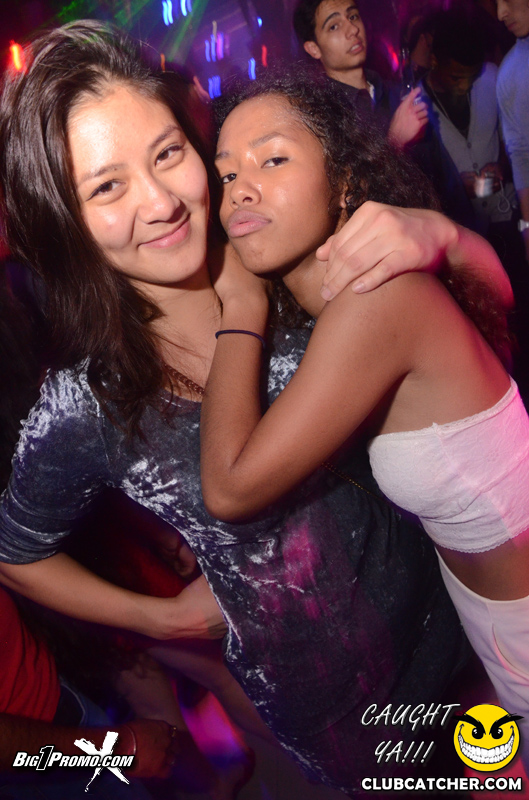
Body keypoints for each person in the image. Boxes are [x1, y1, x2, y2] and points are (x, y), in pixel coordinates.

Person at [0, 21, 511, 795]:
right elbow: (15, 552)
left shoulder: (275, 256)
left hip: (458, 642)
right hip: (344, 722)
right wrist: (157, 619)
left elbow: (480, 326)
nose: (161, 202)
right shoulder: (89, 396)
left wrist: (439, 237)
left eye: (166, 154)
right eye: (107, 187)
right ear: (66, 221)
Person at [201, 70, 529, 772]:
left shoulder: (372, 302)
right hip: (493, 612)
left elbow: (229, 486)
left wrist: (241, 307)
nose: (241, 189)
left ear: (345, 181)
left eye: (272, 159)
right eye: (226, 175)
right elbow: (498, 294)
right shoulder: (341, 303)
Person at [423, 10, 517, 238]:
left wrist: (502, 167)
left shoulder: (492, 77)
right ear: (434, 61)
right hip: (461, 231)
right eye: (456, 77)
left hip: (507, 214)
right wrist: (455, 188)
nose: (465, 86)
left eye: (472, 76)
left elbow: (516, 138)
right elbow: (420, 180)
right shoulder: (416, 105)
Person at [292, 0, 428, 148]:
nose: (353, 29)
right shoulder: (320, 118)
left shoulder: (396, 92)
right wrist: (394, 142)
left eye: (353, 17)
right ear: (313, 49)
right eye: (334, 26)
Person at [496, 0, 529, 264]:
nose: (500, 13)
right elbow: (520, 154)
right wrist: (527, 227)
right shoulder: (510, 73)